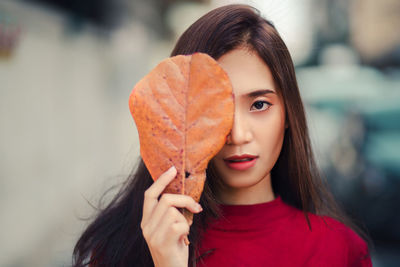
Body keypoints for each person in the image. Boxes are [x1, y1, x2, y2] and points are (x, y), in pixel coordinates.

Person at [73, 4, 373, 267]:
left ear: (288, 114)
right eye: (216, 109)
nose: (238, 134)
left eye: (259, 105)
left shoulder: (340, 251)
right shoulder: (124, 247)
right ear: (179, 117)